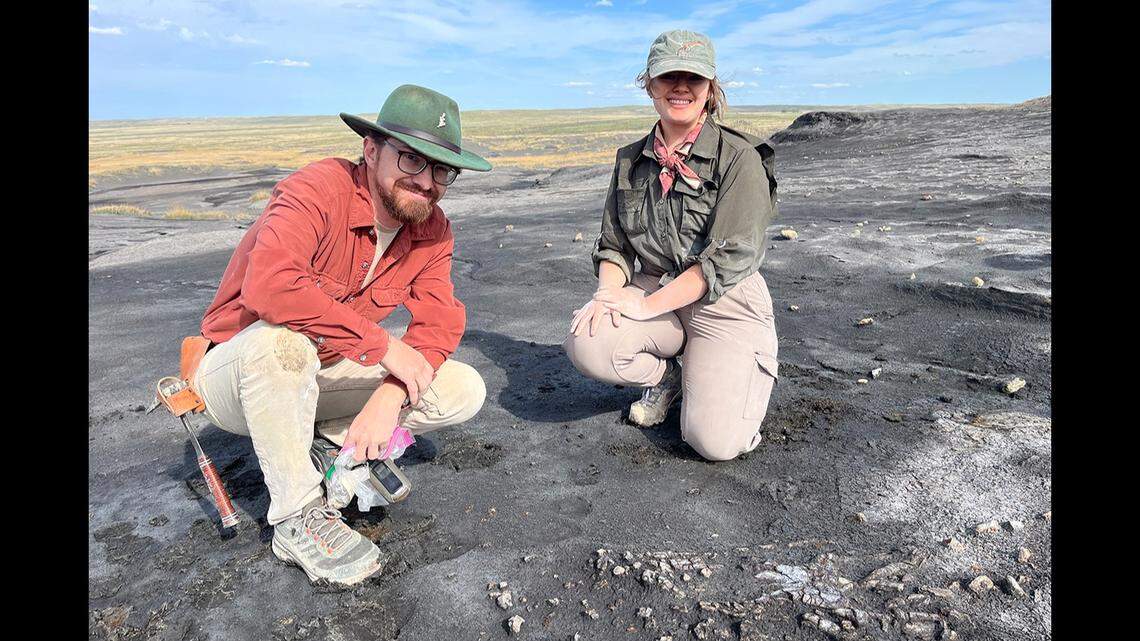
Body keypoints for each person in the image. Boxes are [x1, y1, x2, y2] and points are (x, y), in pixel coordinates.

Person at [192, 84, 490, 586]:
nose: (427, 181)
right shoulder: (317, 189)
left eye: (442, 169)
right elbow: (271, 287)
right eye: (412, 160)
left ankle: (329, 447)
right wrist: (384, 348)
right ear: (371, 150)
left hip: (323, 371)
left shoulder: (433, 228)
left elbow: (440, 321)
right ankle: (298, 516)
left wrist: (390, 396)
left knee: (462, 387)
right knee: (281, 342)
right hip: (238, 375)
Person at [563, 30, 779, 462]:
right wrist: (608, 295)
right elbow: (615, 245)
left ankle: (725, 372)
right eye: (668, 77)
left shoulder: (739, 158)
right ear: (649, 84)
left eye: (693, 78)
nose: (680, 87)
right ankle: (667, 377)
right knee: (587, 340)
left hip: (724, 300)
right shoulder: (630, 159)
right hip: (655, 285)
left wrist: (644, 307)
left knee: (714, 443)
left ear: (710, 88)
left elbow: (728, 257)